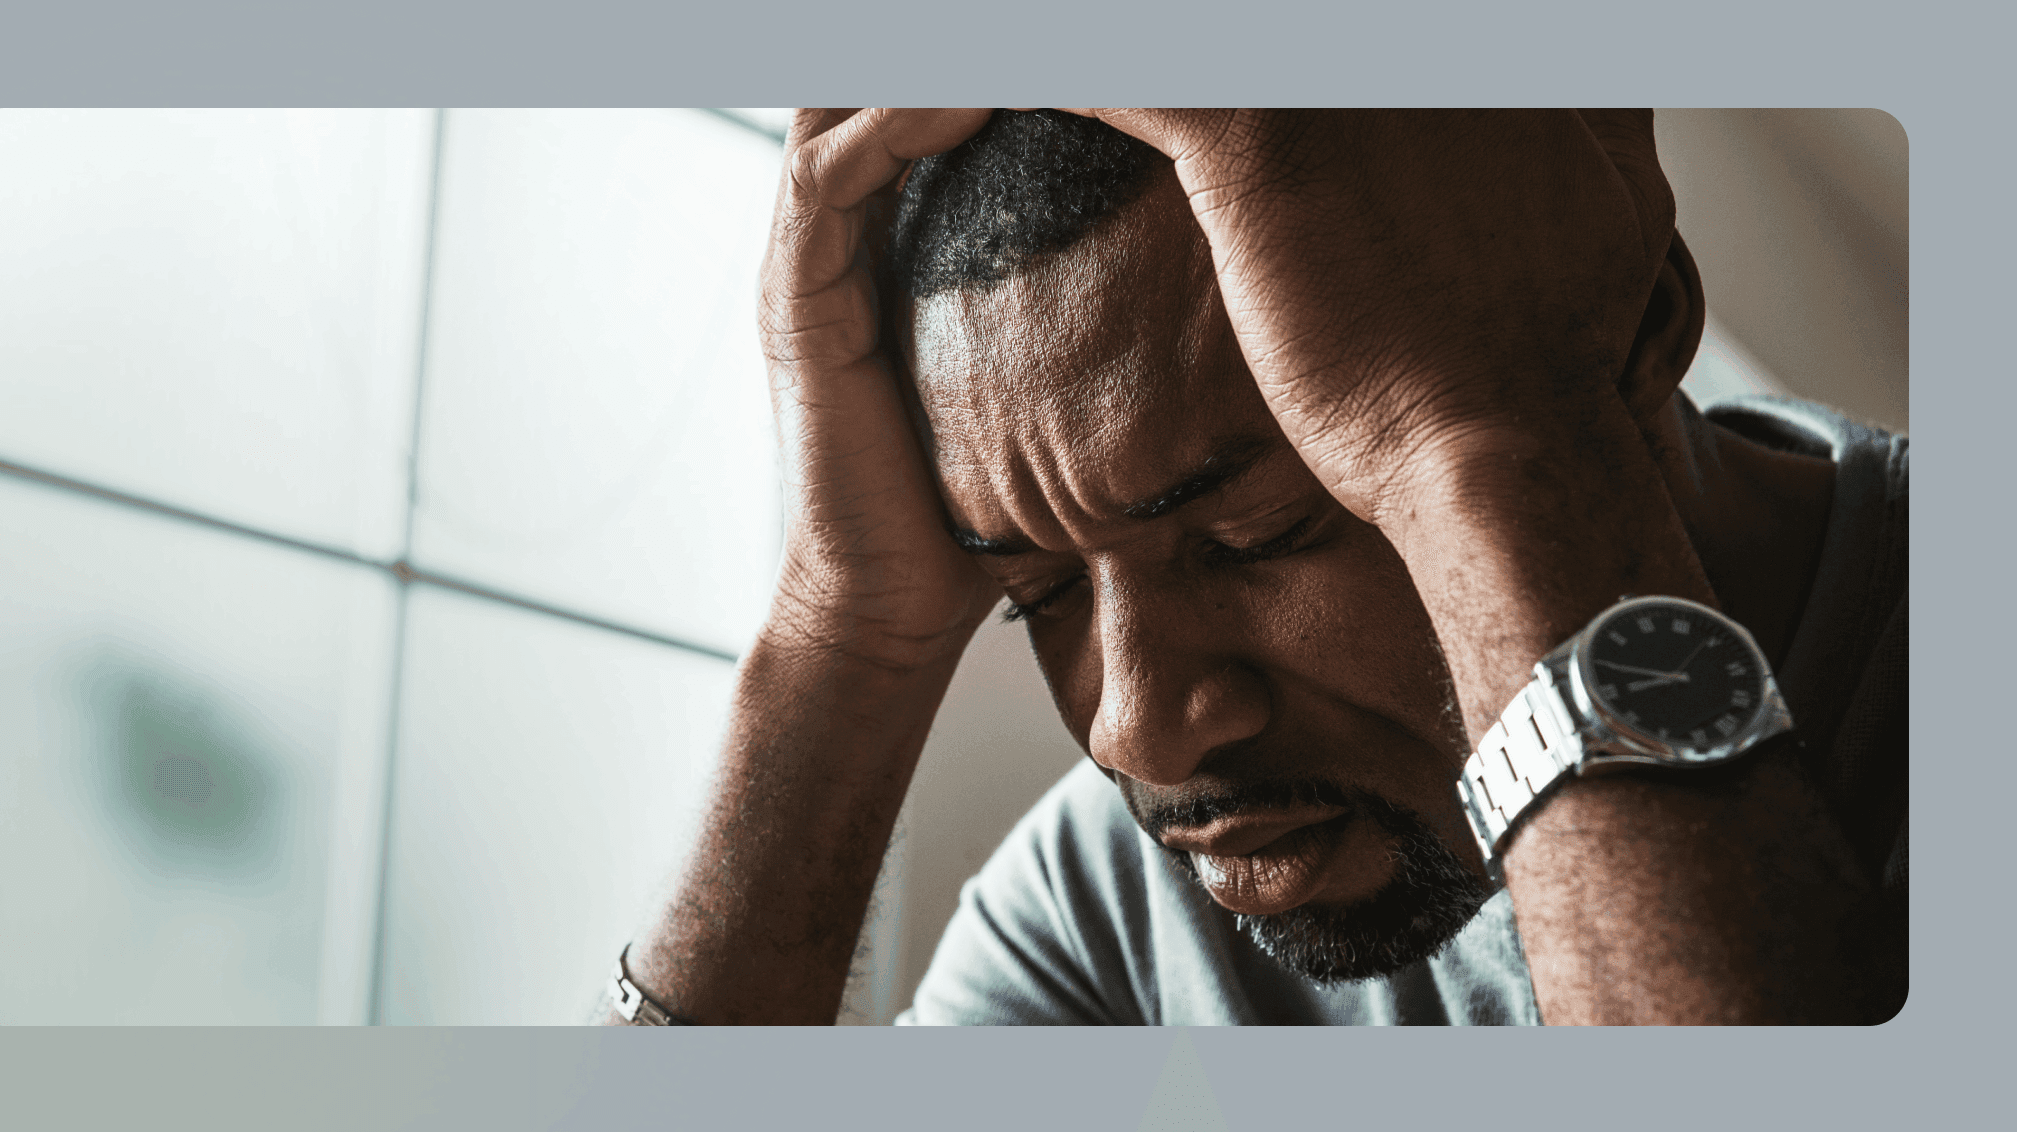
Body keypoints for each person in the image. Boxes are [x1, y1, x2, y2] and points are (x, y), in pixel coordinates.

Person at [599, 109, 1907, 1026]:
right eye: (1038, 596)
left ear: (1642, 330)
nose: (1141, 726)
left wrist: (1487, 446)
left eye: (1256, 536)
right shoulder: (1106, 919)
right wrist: (841, 639)